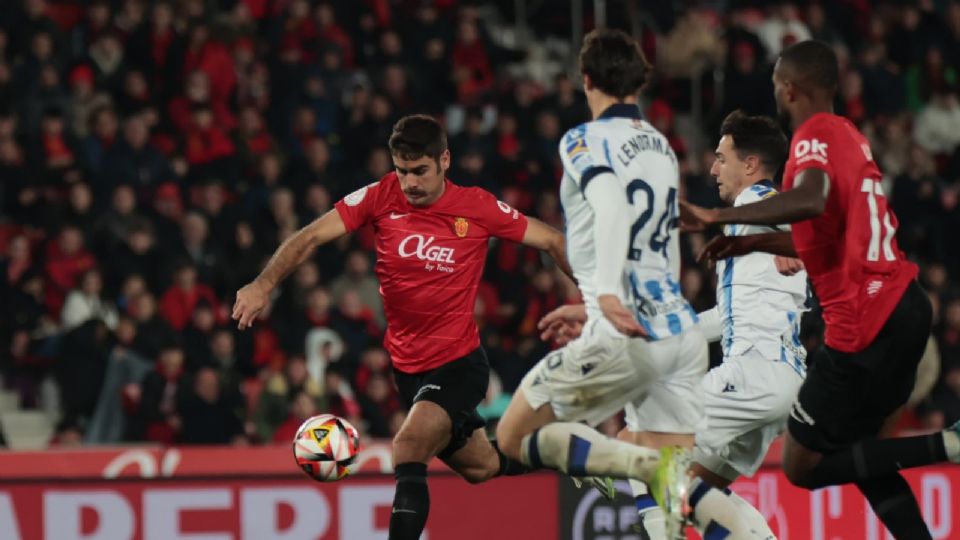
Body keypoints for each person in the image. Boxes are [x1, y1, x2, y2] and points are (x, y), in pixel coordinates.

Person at [232, 114, 570, 540]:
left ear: (444, 160)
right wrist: (263, 284)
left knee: (407, 447)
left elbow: (554, 240)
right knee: (481, 467)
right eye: (402, 170)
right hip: (408, 371)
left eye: (420, 171)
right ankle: (568, 451)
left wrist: (596, 303)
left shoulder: (478, 207)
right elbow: (311, 236)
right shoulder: (380, 197)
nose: (409, 182)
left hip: (459, 364)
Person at [681, 40, 960, 539]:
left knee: (801, 466)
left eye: (775, 85)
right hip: (905, 305)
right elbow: (828, 230)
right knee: (860, 453)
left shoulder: (814, 134)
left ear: (789, 88)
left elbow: (811, 198)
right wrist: (753, 244)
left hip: (864, 320)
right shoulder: (850, 136)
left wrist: (719, 215)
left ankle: (948, 445)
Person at [493, 29, 760, 539]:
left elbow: (614, 205)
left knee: (512, 434)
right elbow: (665, 239)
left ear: (586, 79)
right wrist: (600, 304)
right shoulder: (661, 146)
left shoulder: (582, 139)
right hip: (677, 332)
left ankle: (637, 465)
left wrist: (607, 296)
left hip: (626, 333)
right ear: (637, 83)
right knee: (678, 503)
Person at [541, 111, 808, 539]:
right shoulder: (750, 224)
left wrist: (798, 247)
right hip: (777, 380)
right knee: (691, 489)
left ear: (751, 164)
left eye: (722, 157)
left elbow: (825, 232)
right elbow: (722, 320)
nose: (713, 167)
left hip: (755, 373)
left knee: (643, 445)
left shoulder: (758, 208)